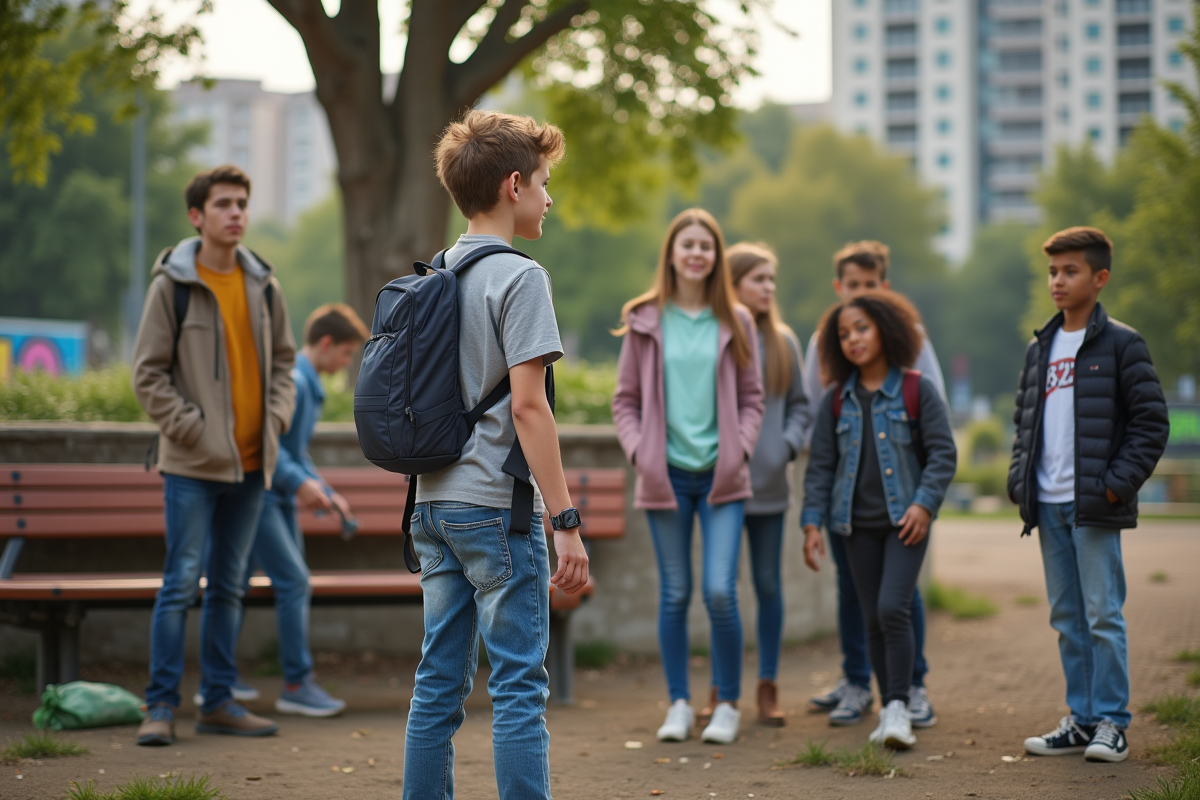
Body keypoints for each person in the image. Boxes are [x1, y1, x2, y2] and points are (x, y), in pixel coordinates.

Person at [402, 110, 589, 800]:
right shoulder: (520, 277)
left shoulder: (437, 271)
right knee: (517, 685)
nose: (549, 197)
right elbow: (529, 407)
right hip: (496, 511)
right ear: (514, 186)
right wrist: (565, 522)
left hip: (431, 505)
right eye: (544, 183)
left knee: (438, 684)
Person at [131, 165, 296, 746]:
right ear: (197, 216)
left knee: (230, 587)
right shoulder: (171, 288)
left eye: (242, 203)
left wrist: (275, 418)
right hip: (192, 468)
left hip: (254, 466)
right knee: (179, 584)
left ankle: (219, 702)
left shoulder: (264, 286)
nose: (236, 213)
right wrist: (194, 429)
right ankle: (160, 707)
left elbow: (284, 368)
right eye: (223, 204)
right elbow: (147, 375)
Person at [1009, 227, 1168, 763]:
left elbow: (1151, 424)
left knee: (1102, 613)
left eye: (1070, 271)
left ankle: (1113, 722)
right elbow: (1023, 419)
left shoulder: (1122, 343)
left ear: (1099, 278)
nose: (1058, 280)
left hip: (1095, 502)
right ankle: (1080, 720)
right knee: (1067, 617)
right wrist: (1019, 480)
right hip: (1048, 503)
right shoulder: (1041, 346)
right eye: (1053, 271)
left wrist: (1115, 484)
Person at [612, 209, 765, 745]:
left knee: (720, 592)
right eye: (688, 244)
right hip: (665, 478)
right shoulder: (644, 318)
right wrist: (642, 455)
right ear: (672, 254)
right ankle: (678, 702)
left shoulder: (737, 321)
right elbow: (624, 402)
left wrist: (739, 449)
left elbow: (752, 400)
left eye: (706, 245)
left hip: (722, 480)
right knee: (675, 594)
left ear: (716, 257)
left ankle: (726, 703)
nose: (697, 253)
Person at [194, 304, 370, 716]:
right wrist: (302, 483)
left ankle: (218, 680)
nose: (346, 363)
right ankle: (296, 683)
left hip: (276, 496)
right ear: (325, 344)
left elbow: (293, 451)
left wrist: (325, 489)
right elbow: (268, 446)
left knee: (233, 583)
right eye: (345, 353)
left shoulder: (306, 382)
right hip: (262, 497)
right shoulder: (294, 383)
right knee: (293, 583)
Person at [801, 291, 957, 750]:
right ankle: (891, 707)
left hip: (905, 523)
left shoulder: (916, 389)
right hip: (853, 527)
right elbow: (820, 468)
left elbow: (943, 454)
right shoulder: (836, 400)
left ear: (887, 330)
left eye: (862, 329)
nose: (853, 340)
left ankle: (898, 706)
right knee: (872, 618)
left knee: (893, 608)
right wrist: (812, 522)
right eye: (845, 334)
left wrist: (924, 504)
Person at [721, 242, 809, 727]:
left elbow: (800, 405)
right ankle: (722, 685)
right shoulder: (716, 336)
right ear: (732, 285)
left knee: (769, 585)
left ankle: (768, 686)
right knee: (721, 590)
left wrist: (785, 447)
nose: (768, 288)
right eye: (759, 278)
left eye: (772, 279)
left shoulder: (784, 343)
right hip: (720, 489)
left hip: (771, 489)